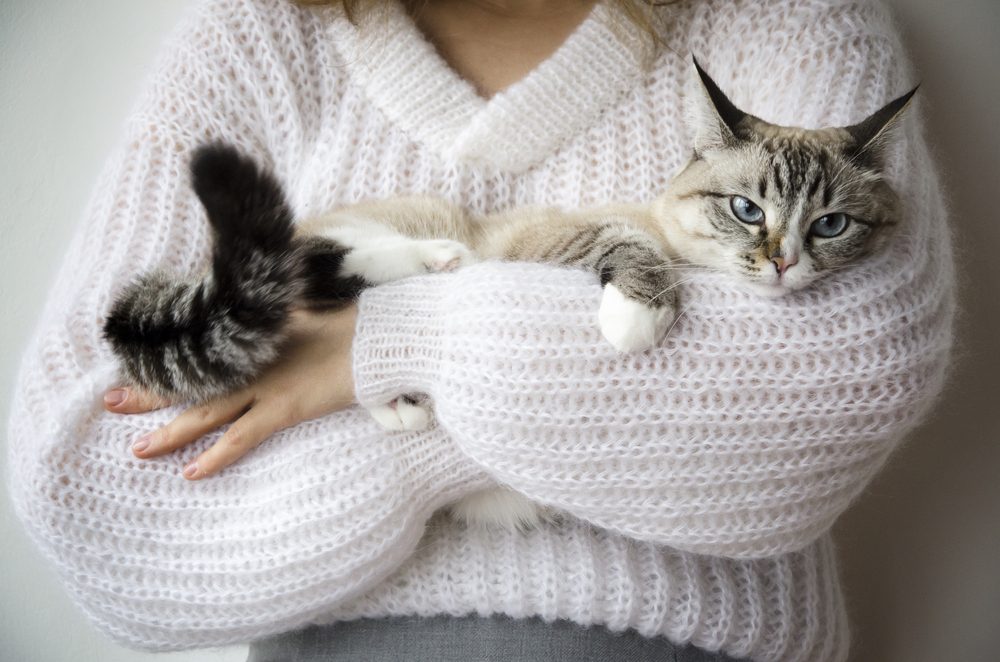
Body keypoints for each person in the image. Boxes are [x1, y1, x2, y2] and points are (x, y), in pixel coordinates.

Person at [6, 0, 953, 660]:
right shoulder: (258, 36)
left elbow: (843, 383)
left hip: (689, 646)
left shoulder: (788, 17)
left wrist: (389, 351)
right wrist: (585, 401)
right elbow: (89, 488)